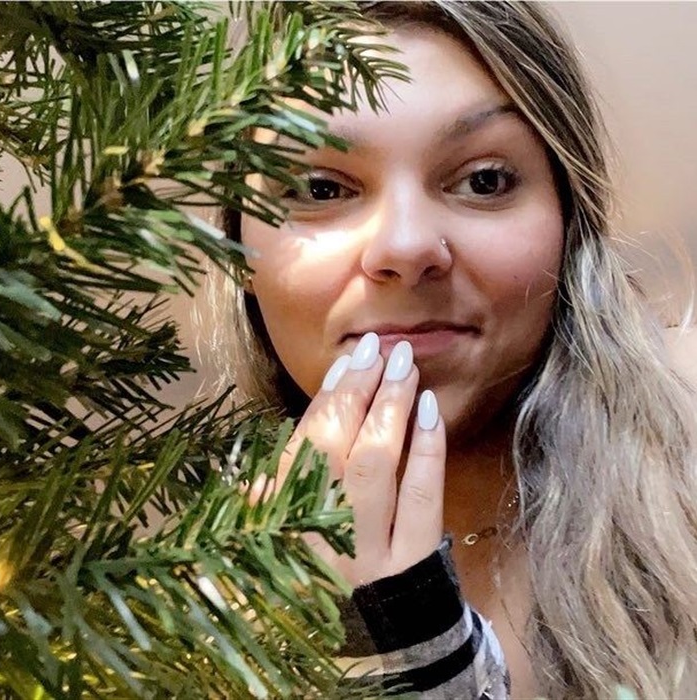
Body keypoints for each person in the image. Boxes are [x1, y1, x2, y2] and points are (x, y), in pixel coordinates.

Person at [213, 2, 697, 697]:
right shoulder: (168, 595)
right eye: (320, 189)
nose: (406, 246)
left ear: (571, 221)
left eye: (484, 180)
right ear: (235, 253)